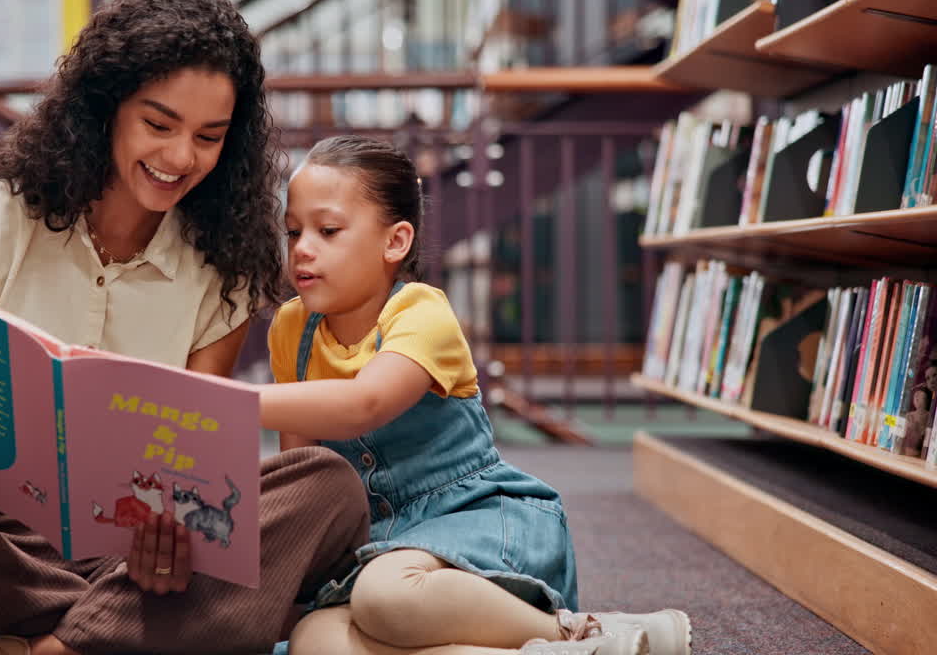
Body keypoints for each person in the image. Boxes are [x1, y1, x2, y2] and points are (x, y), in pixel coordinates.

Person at [0, 0, 369, 655]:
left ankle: (39, 639)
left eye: (208, 136)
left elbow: (196, 468)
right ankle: (115, 633)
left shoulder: (222, 267)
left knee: (328, 488)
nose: (180, 157)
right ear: (106, 109)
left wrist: (177, 538)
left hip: (149, 561)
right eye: (158, 124)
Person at [255, 135, 692, 655]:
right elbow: (304, 476)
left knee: (385, 596)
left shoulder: (421, 312)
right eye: (293, 231)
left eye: (327, 231)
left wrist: (226, 402)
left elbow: (364, 404)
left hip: (475, 520)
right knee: (313, 640)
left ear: (395, 242)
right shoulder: (290, 330)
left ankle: (583, 632)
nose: (302, 247)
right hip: (379, 546)